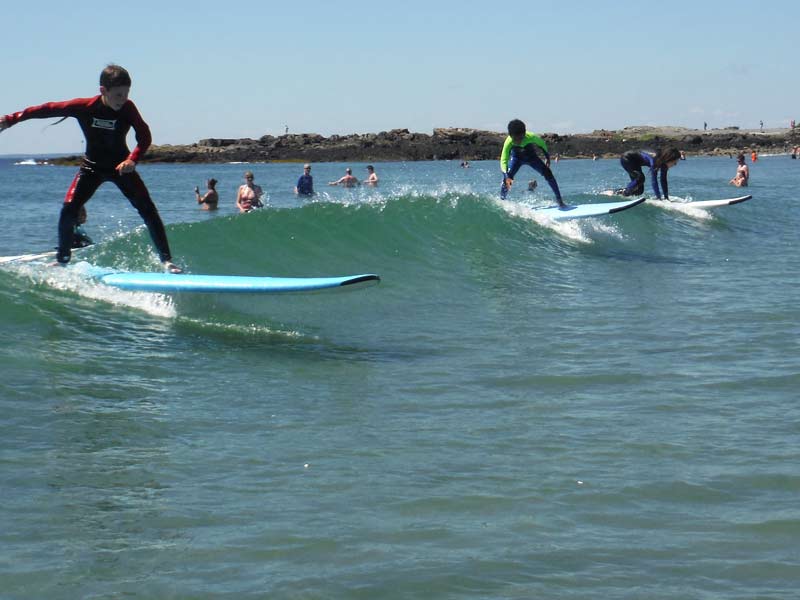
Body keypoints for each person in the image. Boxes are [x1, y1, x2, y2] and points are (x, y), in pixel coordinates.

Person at [0, 64, 181, 272]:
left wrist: (133, 159)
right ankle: (62, 259)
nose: (122, 99)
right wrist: (12, 119)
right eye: (118, 94)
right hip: (91, 168)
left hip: (121, 167)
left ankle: (167, 261)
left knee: (148, 210)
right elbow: (48, 109)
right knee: (69, 209)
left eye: (126, 94)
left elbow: (144, 136)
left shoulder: (128, 109)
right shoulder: (85, 107)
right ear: (103, 91)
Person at [499, 119, 565, 207]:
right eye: (516, 139)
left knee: (548, 173)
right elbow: (503, 160)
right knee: (507, 179)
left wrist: (547, 158)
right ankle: (502, 201)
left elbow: (542, 145)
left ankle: (560, 201)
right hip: (516, 159)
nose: (519, 141)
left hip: (531, 158)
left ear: (524, 133)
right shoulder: (508, 142)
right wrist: (505, 174)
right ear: (510, 135)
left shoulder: (531, 136)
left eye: (521, 138)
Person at [614, 148, 681, 200]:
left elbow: (663, 181)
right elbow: (654, 181)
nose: (675, 165)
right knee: (641, 178)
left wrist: (666, 198)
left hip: (636, 163)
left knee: (639, 191)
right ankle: (625, 192)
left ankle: (619, 192)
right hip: (627, 159)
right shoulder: (655, 159)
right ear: (669, 159)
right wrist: (658, 197)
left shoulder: (664, 165)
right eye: (674, 163)